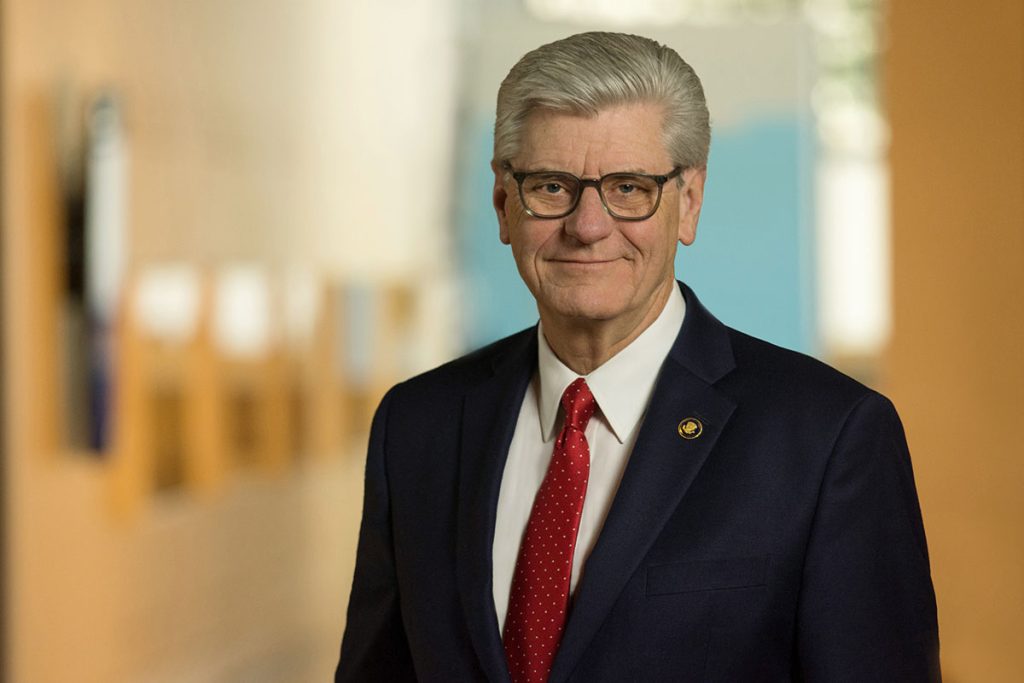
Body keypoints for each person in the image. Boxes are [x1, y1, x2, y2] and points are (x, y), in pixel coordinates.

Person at [335, 31, 940, 682]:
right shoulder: (416, 426)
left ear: (690, 200)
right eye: (551, 185)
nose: (587, 225)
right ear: (504, 201)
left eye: (628, 187)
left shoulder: (828, 438)